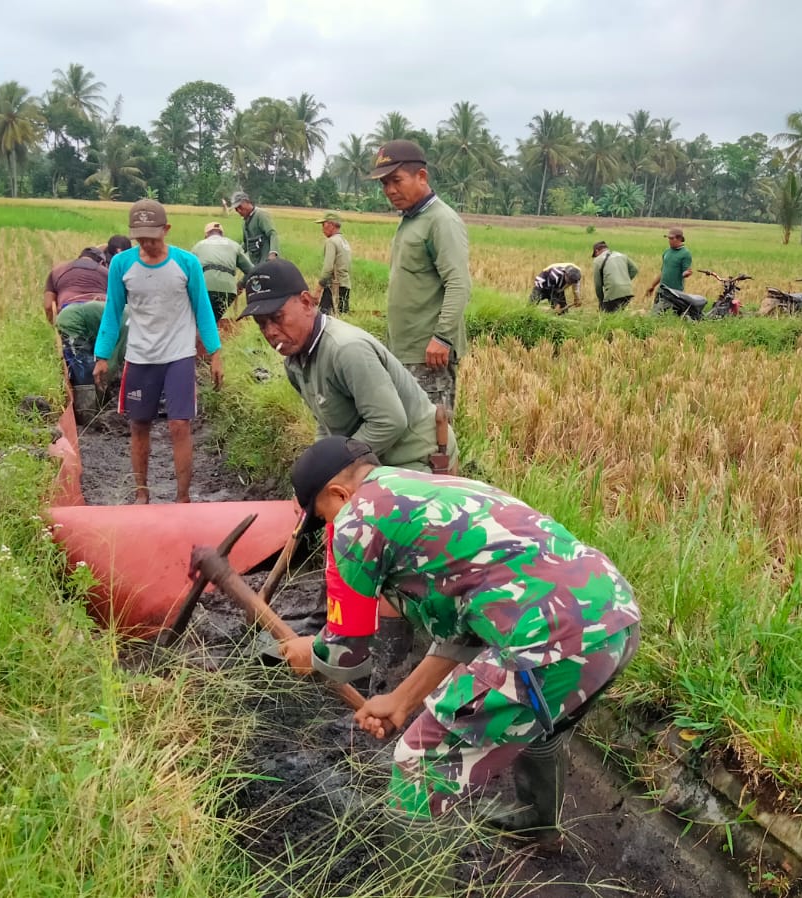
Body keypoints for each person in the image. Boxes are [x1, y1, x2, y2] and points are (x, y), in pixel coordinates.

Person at [190, 437, 641, 837]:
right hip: (612, 617)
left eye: (323, 516)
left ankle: (411, 878)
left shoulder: (356, 519)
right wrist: (402, 701)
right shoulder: (430, 489)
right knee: (542, 727)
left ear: (339, 494)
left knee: (419, 759)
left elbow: (345, 655)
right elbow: (462, 633)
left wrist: (313, 650)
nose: (328, 528)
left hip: (546, 640)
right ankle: (537, 824)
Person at [238, 258, 450, 472]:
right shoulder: (295, 362)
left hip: (417, 459)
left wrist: (336, 466)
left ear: (306, 303)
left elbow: (388, 422)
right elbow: (326, 426)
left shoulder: (346, 350)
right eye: (261, 324)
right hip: (376, 459)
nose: (270, 332)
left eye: (277, 317)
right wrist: (320, 465)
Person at [93, 199, 224, 504]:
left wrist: (215, 353)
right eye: (141, 238)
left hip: (179, 355)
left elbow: (203, 310)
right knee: (139, 424)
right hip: (140, 357)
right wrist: (102, 355)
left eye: (152, 237)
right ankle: (142, 494)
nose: (147, 244)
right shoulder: (121, 264)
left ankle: (182, 498)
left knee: (179, 425)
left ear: (166, 229)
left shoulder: (187, 263)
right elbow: (112, 312)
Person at [369, 140, 471, 412]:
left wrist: (442, 338)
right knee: (406, 429)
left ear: (422, 176)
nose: (390, 190)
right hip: (404, 350)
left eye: (396, 180)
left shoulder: (441, 221)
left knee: (431, 431)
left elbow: (459, 283)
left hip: (428, 354)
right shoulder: (411, 219)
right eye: (384, 184)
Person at [55, 298, 127, 424]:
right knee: (85, 372)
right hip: (73, 322)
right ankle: (86, 418)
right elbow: (110, 364)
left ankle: (96, 409)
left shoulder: (137, 319)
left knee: (94, 371)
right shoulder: (131, 329)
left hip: (89, 327)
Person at [192, 221, 254, 322]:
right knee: (213, 319)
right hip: (228, 290)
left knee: (203, 320)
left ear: (206, 234)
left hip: (206, 288)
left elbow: (188, 272)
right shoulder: (234, 245)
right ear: (222, 234)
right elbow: (252, 270)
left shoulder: (198, 246)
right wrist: (241, 284)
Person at [43, 244, 109, 324]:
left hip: (68, 311)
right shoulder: (107, 273)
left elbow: (48, 306)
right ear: (102, 263)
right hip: (100, 311)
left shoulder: (58, 270)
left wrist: (55, 325)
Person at [314, 212, 353, 314]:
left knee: (325, 317)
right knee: (341, 316)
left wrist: (319, 288)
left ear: (331, 225)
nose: (322, 229)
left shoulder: (331, 241)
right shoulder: (344, 241)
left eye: (323, 224)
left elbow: (328, 268)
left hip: (334, 286)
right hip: (345, 284)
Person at [643, 227, 693, 305]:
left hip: (675, 292)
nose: (669, 241)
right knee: (656, 310)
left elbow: (685, 272)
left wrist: (686, 273)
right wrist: (652, 286)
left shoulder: (685, 254)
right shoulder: (667, 252)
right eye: (668, 238)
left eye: (671, 238)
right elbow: (663, 271)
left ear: (679, 238)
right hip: (662, 290)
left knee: (670, 311)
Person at [591, 241, 640, 313]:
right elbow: (635, 269)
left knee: (608, 316)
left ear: (596, 251)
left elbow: (598, 285)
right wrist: (624, 280)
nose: (596, 256)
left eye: (595, 255)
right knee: (619, 314)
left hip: (612, 293)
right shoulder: (622, 255)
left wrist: (601, 301)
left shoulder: (598, 260)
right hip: (627, 291)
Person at [232, 191, 280, 262]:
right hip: (254, 262)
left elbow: (272, 233)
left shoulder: (261, 215)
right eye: (236, 209)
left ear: (247, 202)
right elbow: (246, 244)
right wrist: (234, 253)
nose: (239, 211)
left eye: (240, 207)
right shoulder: (245, 223)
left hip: (266, 261)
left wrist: (273, 253)